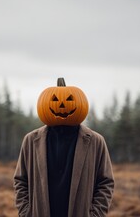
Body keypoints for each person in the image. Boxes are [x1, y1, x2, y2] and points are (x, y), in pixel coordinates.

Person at [14, 78, 114, 217]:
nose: (61, 105)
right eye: (54, 100)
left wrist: (96, 214)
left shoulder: (95, 142)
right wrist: (26, 213)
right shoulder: (31, 141)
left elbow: (105, 182)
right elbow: (21, 180)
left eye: (69, 99)